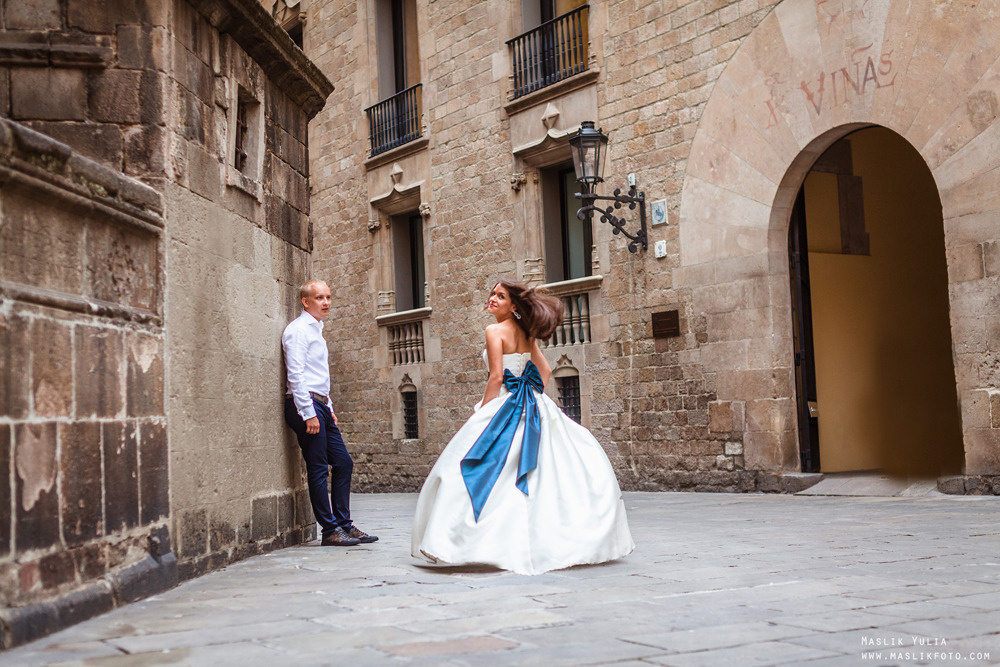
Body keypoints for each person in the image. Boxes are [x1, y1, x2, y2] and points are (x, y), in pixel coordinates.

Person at [411, 279, 633, 574]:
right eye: (492, 294)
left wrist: (486, 412)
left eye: (500, 296)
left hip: (505, 403)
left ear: (513, 306)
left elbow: (496, 378)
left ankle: (461, 541)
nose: (492, 299)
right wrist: (532, 393)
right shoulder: (527, 333)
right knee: (543, 472)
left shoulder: (493, 331)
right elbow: (545, 370)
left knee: (478, 467)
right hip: (533, 404)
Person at [282, 279, 377, 547]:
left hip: (320, 404)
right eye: (320, 298)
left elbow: (318, 376)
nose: (326, 303)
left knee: (343, 462)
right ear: (306, 301)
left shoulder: (316, 330)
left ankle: (344, 525)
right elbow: (296, 374)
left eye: (328, 297)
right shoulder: (299, 330)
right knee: (318, 467)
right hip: (306, 406)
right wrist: (308, 412)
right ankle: (330, 530)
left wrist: (329, 407)